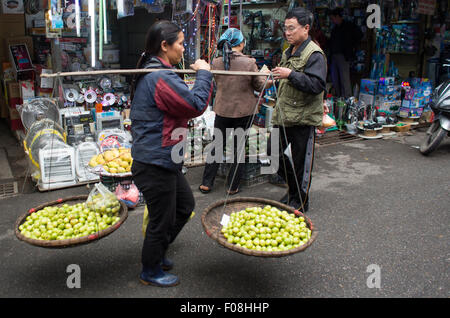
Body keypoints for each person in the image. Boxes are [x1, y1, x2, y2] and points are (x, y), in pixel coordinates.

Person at [130, 20, 213, 287]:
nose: (183, 48)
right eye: (179, 43)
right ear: (164, 46)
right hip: (155, 160)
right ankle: (150, 269)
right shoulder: (159, 77)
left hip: (164, 158)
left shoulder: (158, 72)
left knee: (184, 206)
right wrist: (204, 74)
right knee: (161, 219)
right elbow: (195, 104)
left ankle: (156, 253)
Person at [199, 28, 271, 195]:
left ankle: (206, 183)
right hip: (243, 111)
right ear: (240, 43)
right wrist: (265, 75)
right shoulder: (249, 62)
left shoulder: (216, 62)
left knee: (217, 145)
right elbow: (259, 86)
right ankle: (232, 186)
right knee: (239, 148)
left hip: (223, 109)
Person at [271, 7, 327, 213]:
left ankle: (300, 202)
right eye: (285, 28)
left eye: (292, 29)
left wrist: (290, 75)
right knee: (272, 154)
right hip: (284, 115)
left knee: (301, 163)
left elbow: (316, 85)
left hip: (303, 118)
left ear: (306, 28)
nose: (287, 33)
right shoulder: (289, 50)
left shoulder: (314, 54)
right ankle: (293, 191)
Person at [328, 7, 363, 98]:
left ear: (338, 17)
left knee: (344, 78)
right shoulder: (335, 28)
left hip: (343, 55)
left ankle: (347, 98)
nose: (332, 20)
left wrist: (351, 46)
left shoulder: (348, 26)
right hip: (334, 55)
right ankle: (339, 97)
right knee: (335, 78)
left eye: (333, 18)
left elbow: (359, 35)